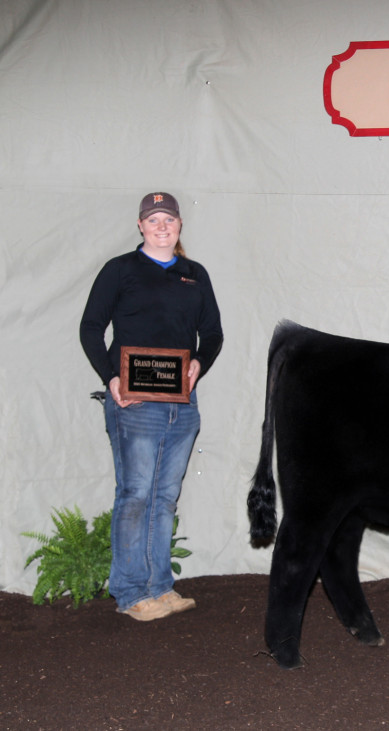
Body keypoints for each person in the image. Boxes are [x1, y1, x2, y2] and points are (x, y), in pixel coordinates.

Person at [80, 192, 223, 621]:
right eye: (154, 219)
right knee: (136, 495)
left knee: (163, 497)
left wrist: (199, 362)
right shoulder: (119, 270)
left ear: (180, 226)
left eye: (170, 219)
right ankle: (128, 592)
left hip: (182, 402)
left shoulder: (195, 274)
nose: (162, 226)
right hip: (134, 400)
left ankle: (160, 587)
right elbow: (90, 328)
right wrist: (112, 378)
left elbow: (213, 334)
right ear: (140, 226)